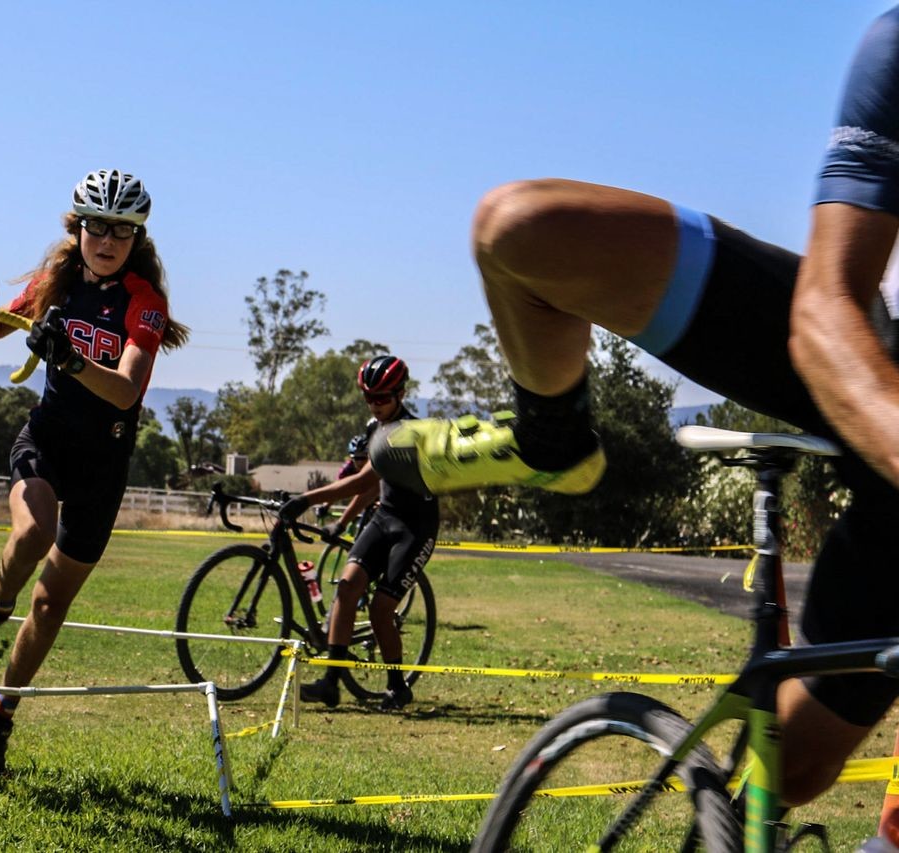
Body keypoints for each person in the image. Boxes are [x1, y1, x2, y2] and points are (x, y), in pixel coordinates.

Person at [370, 7, 899, 809]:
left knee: (788, 774)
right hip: (876, 370)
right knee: (521, 230)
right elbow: (828, 309)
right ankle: (551, 434)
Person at [0, 169, 188, 776]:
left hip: (105, 460)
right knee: (32, 532)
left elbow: (126, 391)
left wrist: (71, 360)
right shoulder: (57, 281)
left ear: (136, 237)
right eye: (96, 227)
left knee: (49, 607)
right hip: (46, 440)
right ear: (77, 229)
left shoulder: (143, 303)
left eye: (120, 230)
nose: (106, 239)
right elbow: (2, 324)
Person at [279, 355, 438, 711]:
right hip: (386, 516)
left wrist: (304, 499)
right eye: (369, 398)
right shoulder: (373, 429)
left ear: (401, 393)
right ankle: (331, 682)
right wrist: (343, 521)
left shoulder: (408, 432)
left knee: (382, 608)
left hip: (415, 528)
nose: (375, 405)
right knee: (348, 587)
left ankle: (397, 686)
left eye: (382, 398)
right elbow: (369, 489)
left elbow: (361, 481)